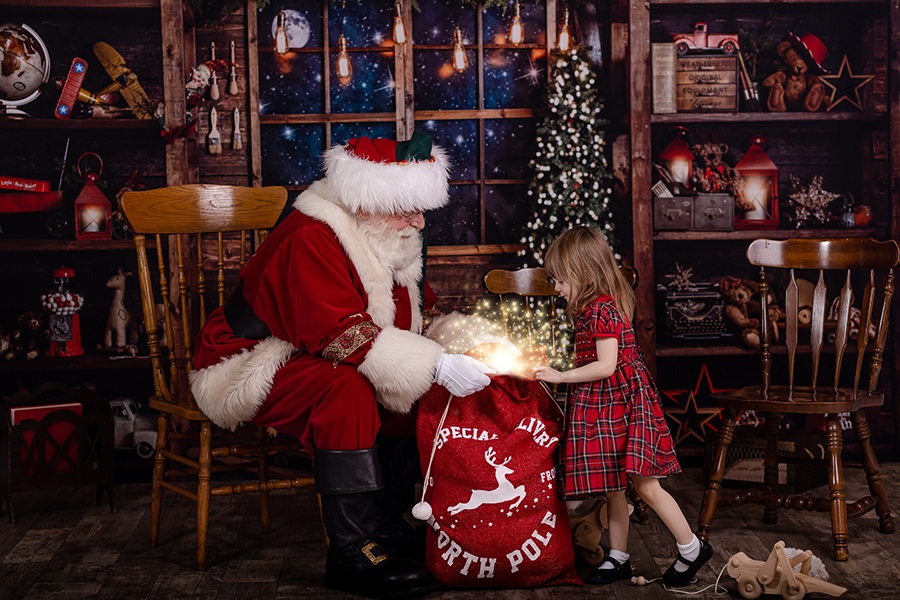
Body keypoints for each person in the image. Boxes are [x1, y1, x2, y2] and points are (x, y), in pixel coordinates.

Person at [189, 131, 494, 599]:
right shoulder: (310, 235)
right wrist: (435, 364)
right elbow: (336, 332)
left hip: (313, 345)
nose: (419, 220)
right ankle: (352, 553)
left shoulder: (385, 231)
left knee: (402, 380)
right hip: (253, 356)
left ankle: (391, 527)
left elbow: (411, 316)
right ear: (367, 203)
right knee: (348, 389)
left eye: (421, 208)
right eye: (408, 209)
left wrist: (461, 345)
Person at [533, 226, 713, 587]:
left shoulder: (603, 310)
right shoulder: (589, 309)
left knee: (646, 486)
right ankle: (618, 557)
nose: (556, 288)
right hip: (604, 403)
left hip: (622, 403)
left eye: (561, 280)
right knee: (612, 484)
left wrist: (561, 376)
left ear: (584, 273)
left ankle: (692, 548)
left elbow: (606, 366)